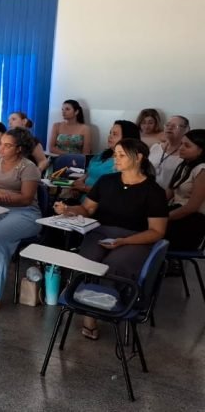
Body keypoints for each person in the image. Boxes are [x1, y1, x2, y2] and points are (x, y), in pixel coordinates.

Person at [52, 138, 168, 340]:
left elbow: (157, 232)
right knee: (88, 261)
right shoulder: (107, 181)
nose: (117, 159)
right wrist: (68, 210)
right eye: (116, 154)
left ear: (139, 157)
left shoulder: (153, 191)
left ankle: (107, 306)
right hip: (101, 231)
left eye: (122, 155)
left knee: (114, 265)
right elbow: (88, 209)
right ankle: (89, 313)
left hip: (135, 238)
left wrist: (124, 242)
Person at [0, 128, 42, 315]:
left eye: (7, 145)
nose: (0, 148)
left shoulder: (28, 167)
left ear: (19, 148)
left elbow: (26, 198)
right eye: (0, 143)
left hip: (25, 213)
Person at [72, 121, 141, 198]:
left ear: (127, 138)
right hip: (84, 199)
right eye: (110, 133)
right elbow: (89, 172)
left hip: (102, 204)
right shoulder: (103, 154)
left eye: (115, 134)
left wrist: (84, 188)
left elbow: (114, 192)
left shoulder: (127, 163)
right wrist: (78, 183)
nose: (110, 136)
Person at [165, 130, 205, 250]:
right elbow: (169, 192)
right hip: (176, 211)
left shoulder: (202, 170)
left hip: (191, 220)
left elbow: (191, 208)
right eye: (181, 144)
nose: (181, 148)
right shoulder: (184, 164)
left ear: (201, 150)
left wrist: (162, 217)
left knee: (149, 229)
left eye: (187, 145)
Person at [149, 115, 189, 190]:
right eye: (167, 125)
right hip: (148, 192)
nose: (169, 128)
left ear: (186, 130)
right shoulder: (155, 147)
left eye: (175, 126)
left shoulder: (186, 154)